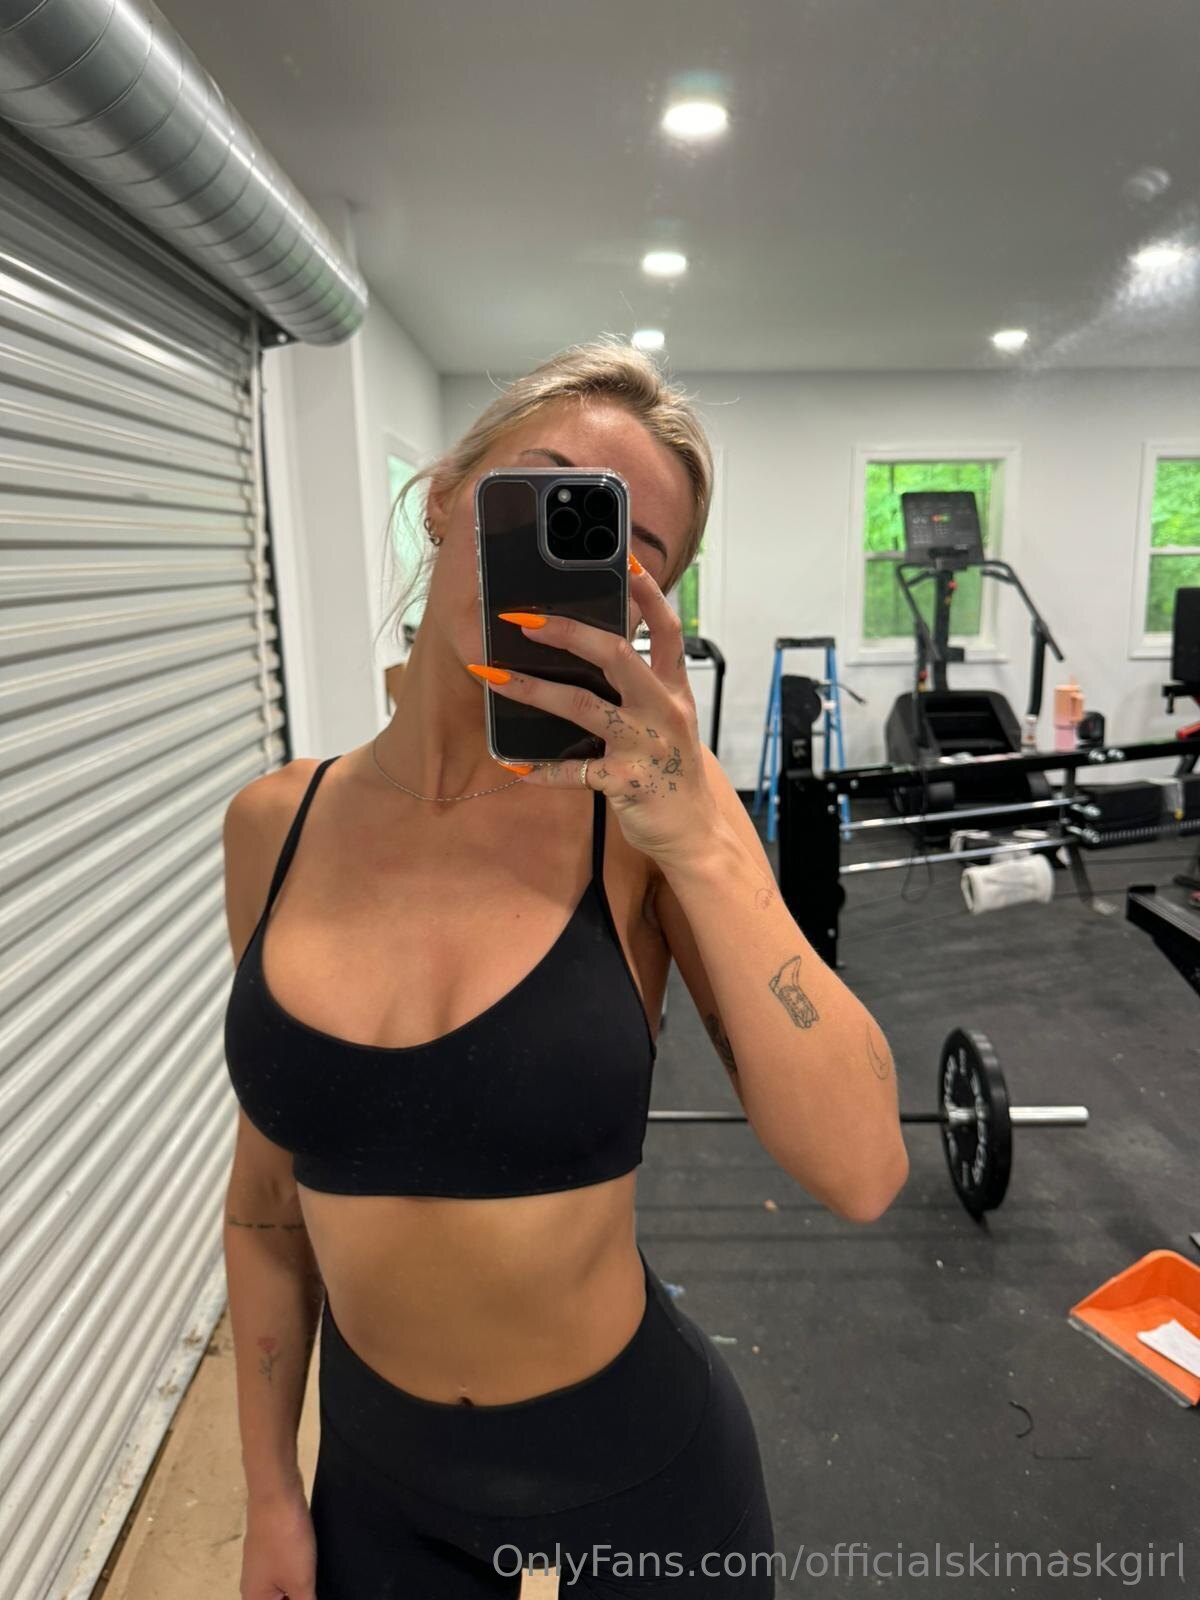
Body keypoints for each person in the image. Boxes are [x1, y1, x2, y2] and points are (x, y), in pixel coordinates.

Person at [221, 336, 909, 1599]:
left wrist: (701, 833)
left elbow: (865, 1170)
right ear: (444, 500)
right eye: (539, 493)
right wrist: (269, 1488)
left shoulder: (643, 830)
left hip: (637, 1488)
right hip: (374, 1490)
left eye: (624, 551)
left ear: (645, 607)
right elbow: (267, 1202)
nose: (565, 550)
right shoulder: (277, 824)